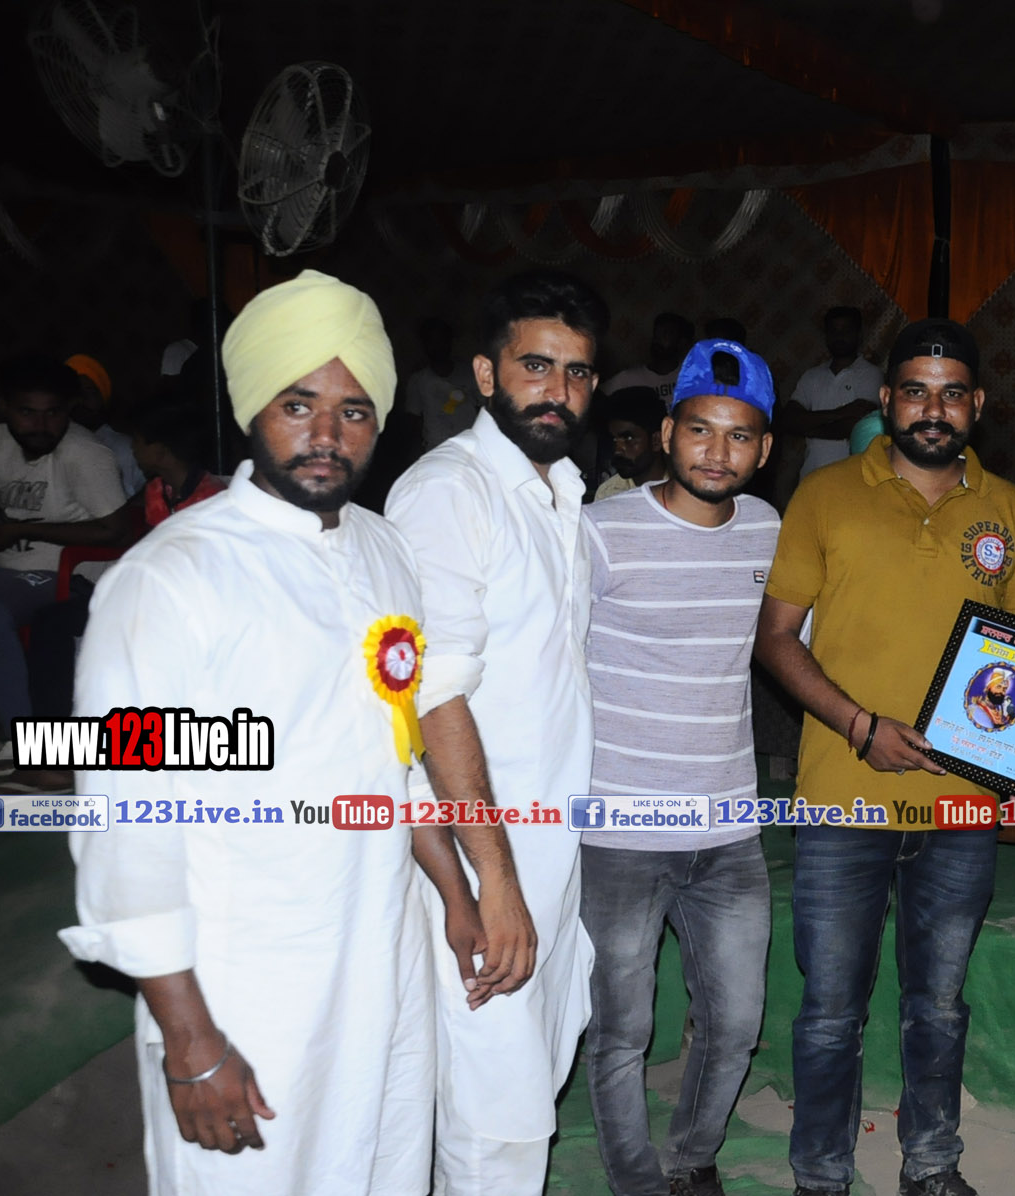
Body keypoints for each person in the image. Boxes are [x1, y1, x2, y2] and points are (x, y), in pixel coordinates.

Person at [59, 269, 517, 1195]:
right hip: (246, 980)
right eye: (298, 405)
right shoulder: (170, 581)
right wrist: (190, 1039)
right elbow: (126, 828)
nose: (326, 435)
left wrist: (457, 895)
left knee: (387, 1170)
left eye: (354, 411)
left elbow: (395, 757)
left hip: (383, 956)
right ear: (251, 410)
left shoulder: (384, 550)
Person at [755, 318, 1015, 1196]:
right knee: (829, 1011)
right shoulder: (824, 497)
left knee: (939, 1006)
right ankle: (821, 1175)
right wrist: (860, 727)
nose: (934, 409)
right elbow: (775, 639)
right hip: (843, 797)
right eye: (916, 392)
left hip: (961, 803)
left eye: (952, 393)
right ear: (887, 399)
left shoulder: (1009, 507)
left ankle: (931, 1164)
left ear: (978, 404)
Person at [385, 269, 608, 1195]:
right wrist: (495, 884)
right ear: (486, 374)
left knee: (525, 1086)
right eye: (535, 366)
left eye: (577, 372)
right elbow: (434, 700)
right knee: (493, 1114)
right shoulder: (449, 492)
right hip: (482, 862)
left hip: (550, 853)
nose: (558, 391)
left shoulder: (563, 493)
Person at [580, 337, 781, 1196]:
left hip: (729, 828)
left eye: (739, 436)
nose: (717, 452)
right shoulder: (599, 533)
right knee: (621, 1031)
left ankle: (691, 1158)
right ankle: (635, 1180)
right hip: (619, 828)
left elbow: (804, 643)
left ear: (764, 449)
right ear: (667, 433)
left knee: (735, 1024)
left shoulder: (769, 529)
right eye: (700, 430)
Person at [23, 400, 225, 777]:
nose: (133, 450)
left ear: (160, 451)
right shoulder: (157, 491)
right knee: (52, 622)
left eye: (139, 443)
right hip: (149, 596)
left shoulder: (212, 499)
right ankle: (55, 749)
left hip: (192, 607)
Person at [0, 352, 128, 753]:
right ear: (4, 408)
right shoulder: (0, 441)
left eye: (53, 413)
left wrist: (22, 530)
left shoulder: (85, 455)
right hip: (9, 572)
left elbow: (116, 530)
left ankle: (28, 739)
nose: (41, 425)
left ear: (69, 409)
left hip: (73, 577)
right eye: (27, 412)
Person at [783, 306, 885, 478]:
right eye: (834, 330)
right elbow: (789, 420)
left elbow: (856, 427)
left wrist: (808, 427)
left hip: (852, 480)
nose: (839, 336)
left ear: (859, 335)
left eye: (846, 330)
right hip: (811, 478)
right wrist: (841, 413)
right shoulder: (812, 376)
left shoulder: (871, 374)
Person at [66, 353, 145, 496]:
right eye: (75, 393)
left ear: (102, 398)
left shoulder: (127, 449)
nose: (81, 400)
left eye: (89, 392)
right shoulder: (50, 447)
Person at [406, 317, 482, 451]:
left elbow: (483, 410)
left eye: (441, 340)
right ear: (425, 345)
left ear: (450, 341)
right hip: (436, 451)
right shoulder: (418, 380)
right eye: (432, 341)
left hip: (469, 449)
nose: (438, 346)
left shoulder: (469, 374)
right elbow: (414, 421)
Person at [595, 386, 668, 501]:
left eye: (628, 438)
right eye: (613, 439)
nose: (617, 450)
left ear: (656, 441)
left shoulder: (685, 489)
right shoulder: (608, 494)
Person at [606, 312, 696, 401]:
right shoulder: (627, 379)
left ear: (682, 342)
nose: (658, 339)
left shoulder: (692, 377)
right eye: (656, 333)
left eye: (666, 334)